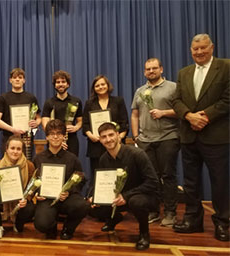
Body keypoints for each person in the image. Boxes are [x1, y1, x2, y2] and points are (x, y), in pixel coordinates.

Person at [172, 33, 229, 241]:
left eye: (203, 48)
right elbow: (176, 100)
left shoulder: (226, 67)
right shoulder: (184, 73)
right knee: (191, 182)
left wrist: (205, 116)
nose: (199, 52)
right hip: (189, 136)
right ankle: (192, 220)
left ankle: (223, 222)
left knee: (220, 182)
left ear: (212, 47)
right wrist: (188, 116)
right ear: (191, 51)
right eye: (195, 49)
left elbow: (227, 99)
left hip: (216, 136)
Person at [90, 122, 160, 250]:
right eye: (104, 137)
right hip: (119, 198)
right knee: (91, 206)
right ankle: (114, 218)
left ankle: (144, 233)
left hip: (143, 196)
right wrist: (93, 197)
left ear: (118, 135)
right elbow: (101, 182)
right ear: (100, 140)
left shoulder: (137, 154)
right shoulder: (103, 159)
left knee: (136, 202)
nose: (108, 139)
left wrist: (126, 196)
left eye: (111, 135)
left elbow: (153, 182)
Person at [131, 58, 180, 226]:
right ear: (144, 72)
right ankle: (153, 210)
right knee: (151, 178)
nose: (151, 71)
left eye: (154, 68)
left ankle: (170, 212)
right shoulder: (140, 90)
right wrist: (136, 136)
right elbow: (135, 114)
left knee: (168, 176)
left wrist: (163, 112)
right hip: (145, 140)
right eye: (147, 69)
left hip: (168, 137)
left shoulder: (173, 87)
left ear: (161, 69)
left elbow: (182, 111)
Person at [33, 119, 90, 240]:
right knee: (41, 224)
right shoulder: (38, 158)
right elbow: (33, 181)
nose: (55, 137)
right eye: (52, 134)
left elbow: (81, 179)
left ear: (64, 137)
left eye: (59, 134)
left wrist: (69, 192)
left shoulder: (72, 158)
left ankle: (68, 229)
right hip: (47, 199)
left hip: (67, 198)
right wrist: (36, 193)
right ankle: (51, 227)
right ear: (47, 137)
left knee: (83, 205)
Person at [82, 75, 128, 191]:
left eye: (103, 84)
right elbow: (85, 124)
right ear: (94, 88)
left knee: (118, 173)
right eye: (97, 85)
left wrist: (119, 138)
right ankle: (99, 199)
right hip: (96, 145)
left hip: (116, 145)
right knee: (98, 174)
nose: (100, 87)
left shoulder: (118, 101)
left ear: (108, 86)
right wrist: (90, 135)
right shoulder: (89, 103)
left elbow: (124, 122)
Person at [0, 135, 36, 233]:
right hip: (3, 200)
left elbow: (32, 187)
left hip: (21, 201)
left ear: (22, 150)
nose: (15, 151)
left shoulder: (29, 165)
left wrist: (27, 198)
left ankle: (18, 224)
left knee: (30, 208)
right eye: (12, 148)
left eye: (18, 149)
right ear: (6, 149)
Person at [0, 68, 41, 157]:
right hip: (9, 138)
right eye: (14, 77)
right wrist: (12, 129)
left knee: (26, 165)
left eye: (20, 77)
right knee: (9, 166)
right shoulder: (3, 98)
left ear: (24, 80)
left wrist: (36, 123)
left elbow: (38, 118)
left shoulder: (31, 98)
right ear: (10, 80)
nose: (17, 79)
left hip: (26, 139)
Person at [42, 70, 83, 156]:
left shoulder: (76, 101)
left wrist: (76, 127)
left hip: (71, 140)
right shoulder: (49, 102)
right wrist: (56, 139)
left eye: (63, 82)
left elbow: (80, 121)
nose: (60, 84)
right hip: (54, 140)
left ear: (68, 84)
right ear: (55, 85)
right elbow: (45, 123)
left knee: (71, 165)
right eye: (58, 82)